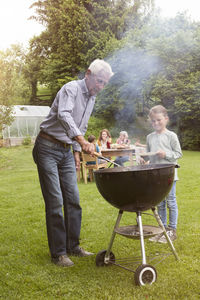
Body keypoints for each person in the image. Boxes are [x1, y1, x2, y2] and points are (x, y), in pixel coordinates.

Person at [32, 59, 113, 267]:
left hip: (67, 151)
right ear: (88, 74)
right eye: (99, 81)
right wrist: (82, 142)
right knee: (55, 200)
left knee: (73, 199)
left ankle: (73, 246)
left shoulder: (92, 98)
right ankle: (58, 253)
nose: (101, 87)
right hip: (47, 147)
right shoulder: (71, 89)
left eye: (105, 83)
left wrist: (77, 153)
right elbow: (64, 114)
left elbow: (81, 126)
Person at [145, 105, 182, 243]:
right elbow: (148, 156)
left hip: (169, 175)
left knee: (171, 202)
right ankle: (162, 230)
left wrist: (165, 154)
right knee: (159, 204)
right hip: (155, 176)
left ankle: (172, 230)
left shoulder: (171, 136)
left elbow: (178, 154)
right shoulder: (149, 137)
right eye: (153, 121)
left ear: (166, 119)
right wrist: (144, 159)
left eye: (158, 120)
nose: (156, 123)